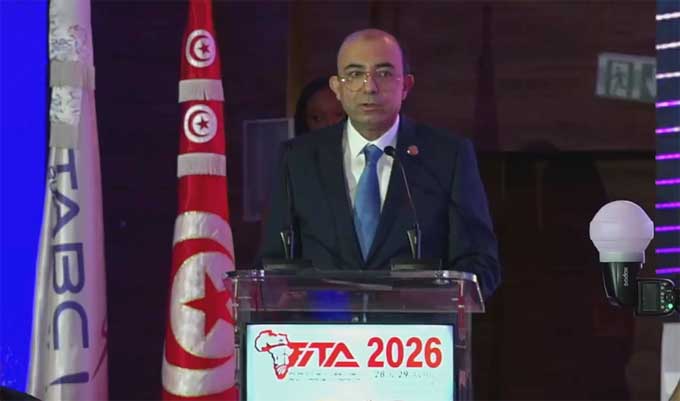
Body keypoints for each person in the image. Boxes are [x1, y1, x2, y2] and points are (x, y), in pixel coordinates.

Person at [259, 29, 500, 298]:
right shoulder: (298, 158)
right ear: (337, 88)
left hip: (414, 324)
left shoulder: (448, 156)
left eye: (383, 73)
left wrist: (438, 299)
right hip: (324, 322)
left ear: (406, 85)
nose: (369, 87)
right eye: (355, 74)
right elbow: (273, 261)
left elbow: (480, 263)